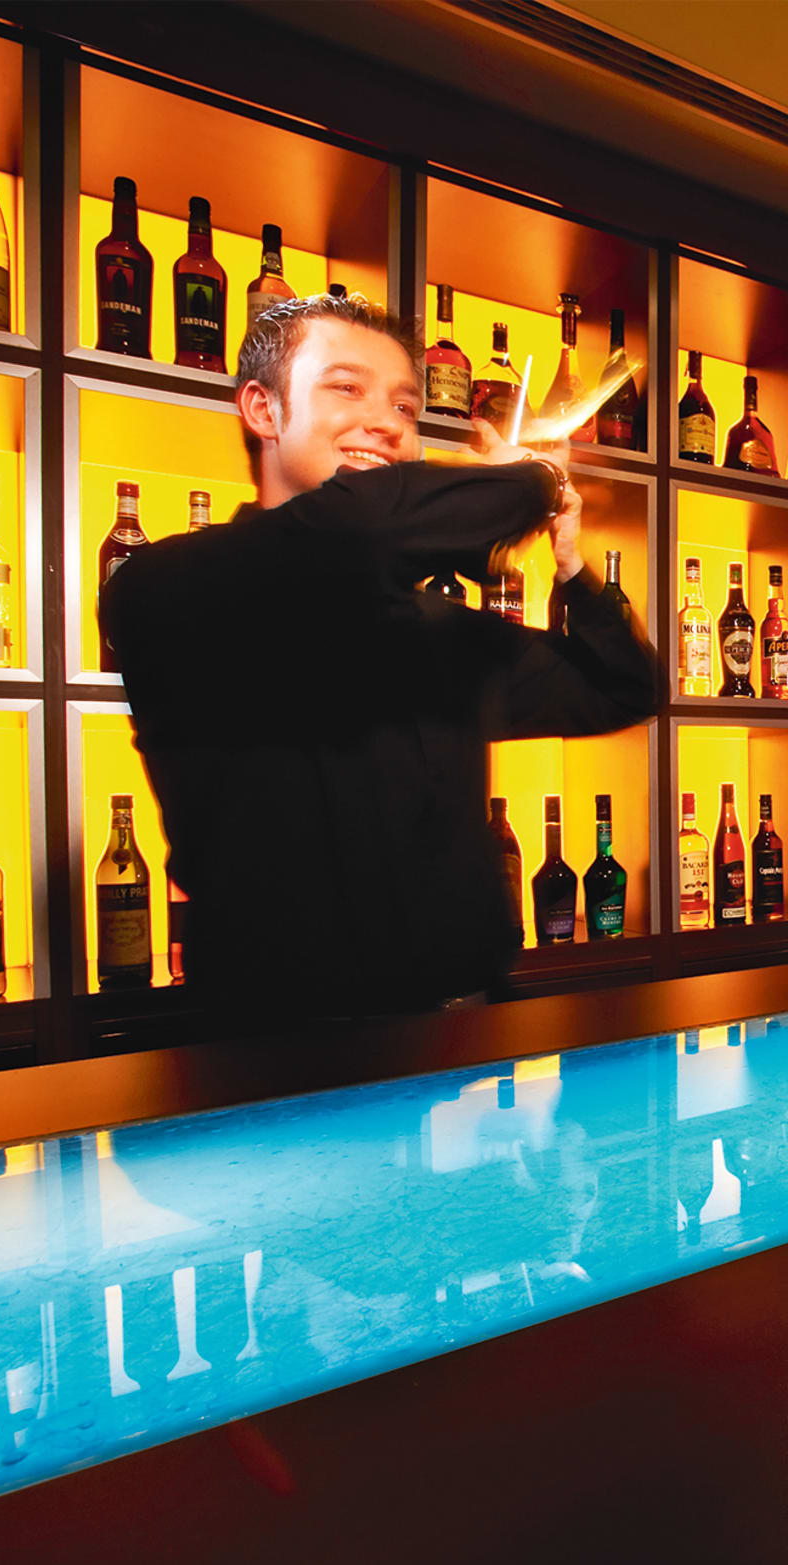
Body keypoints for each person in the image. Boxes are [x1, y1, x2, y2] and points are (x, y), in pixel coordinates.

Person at [101, 292, 661, 1027]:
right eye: (346, 388)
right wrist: (534, 480)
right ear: (263, 410)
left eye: (404, 406)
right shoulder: (167, 584)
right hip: (278, 1049)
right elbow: (358, 529)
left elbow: (625, 688)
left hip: (469, 1034)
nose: (388, 423)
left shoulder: (434, 630)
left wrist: (570, 566)